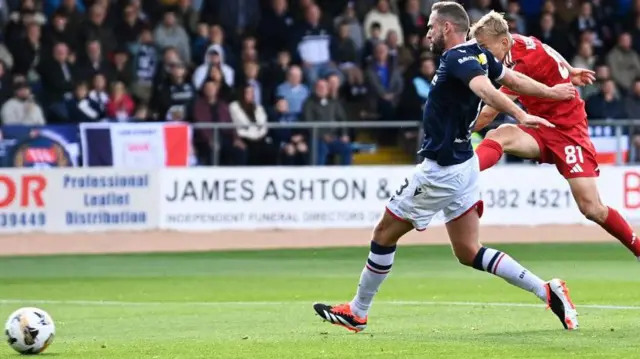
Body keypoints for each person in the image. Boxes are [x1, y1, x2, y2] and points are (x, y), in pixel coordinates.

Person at [313, 2, 578, 333]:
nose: (427, 33)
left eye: (430, 27)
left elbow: (485, 89)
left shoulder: (458, 58)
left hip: (441, 171)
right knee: (468, 251)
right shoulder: (479, 56)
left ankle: (358, 311)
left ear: (447, 28)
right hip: (464, 164)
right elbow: (514, 79)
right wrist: (552, 91)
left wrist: (520, 115)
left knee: (383, 234)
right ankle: (547, 290)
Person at [469, 12, 640, 266]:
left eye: (484, 47)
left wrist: (459, 132)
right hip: (540, 125)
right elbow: (547, 47)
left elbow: (492, 109)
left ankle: (637, 247)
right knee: (500, 135)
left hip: (568, 131)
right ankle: (463, 174)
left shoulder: (521, 65)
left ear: (503, 42)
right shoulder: (516, 42)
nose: (481, 53)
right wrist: (569, 70)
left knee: (591, 208)